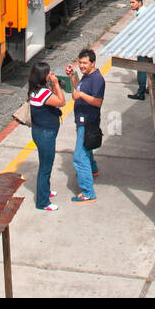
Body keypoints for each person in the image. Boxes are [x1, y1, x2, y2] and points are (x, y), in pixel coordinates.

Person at [28, 60, 65, 211]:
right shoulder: (44, 93)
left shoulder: (34, 91)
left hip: (39, 132)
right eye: (48, 73)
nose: (51, 74)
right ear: (43, 76)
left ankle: (46, 191)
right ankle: (43, 202)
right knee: (45, 167)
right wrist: (56, 84)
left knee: (45, 164)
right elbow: (61, 101)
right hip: (46, 135)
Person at [68, 48, 104, 203]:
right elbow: (79, 88)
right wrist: (72, 77)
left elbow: (98, 102)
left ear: (93, 63)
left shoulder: (97, 79)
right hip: (81, 119)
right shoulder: (86, 75)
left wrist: (81, 95)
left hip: (88, 122)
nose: (81, 66)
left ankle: (88, 192)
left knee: (79, 157)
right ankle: (93, 170)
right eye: (80, 62)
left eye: (84, 63)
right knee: (87, 149)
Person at [127, 0, 149, 100]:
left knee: (141, 68)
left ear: (139, 3)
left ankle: (141, 92)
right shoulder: (146, 11)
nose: (131, 5)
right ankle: (148, 87)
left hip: (142, 45)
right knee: (149, 66)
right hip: (148, 44)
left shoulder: (141, 15)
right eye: (130, 2)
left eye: (133, 2)